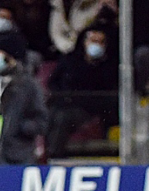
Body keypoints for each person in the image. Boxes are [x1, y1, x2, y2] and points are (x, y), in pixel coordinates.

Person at [0, 33, 48, 164]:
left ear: (10, 56)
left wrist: (19, 128)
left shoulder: (28, 85)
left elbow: (41, 121)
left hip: (18, 155)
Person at [45, 26, 118, 159]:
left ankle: (54, 156)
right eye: (93, 41)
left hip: (88, 109)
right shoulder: (70, 60)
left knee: (63, 118)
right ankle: (41, 154)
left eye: (100, 42)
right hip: (64, 103)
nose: (96, 45)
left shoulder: (109, 66)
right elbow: (53, 82)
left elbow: (107, 92)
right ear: (85, 42)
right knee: (50, 114)